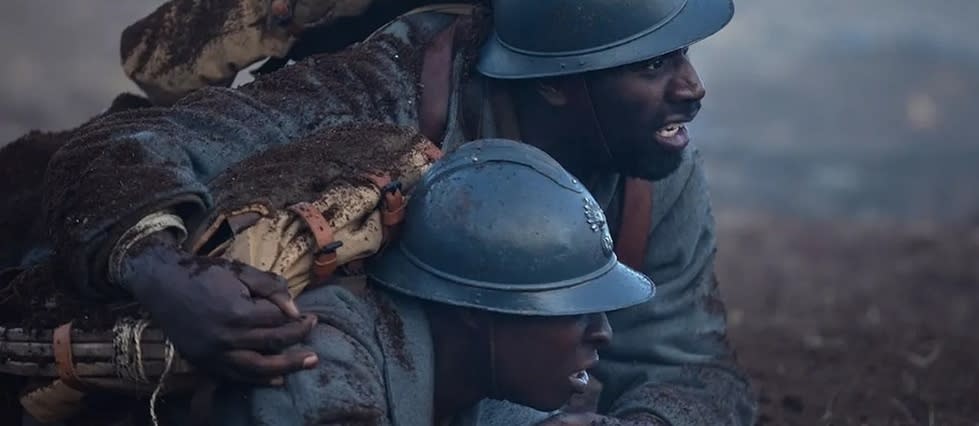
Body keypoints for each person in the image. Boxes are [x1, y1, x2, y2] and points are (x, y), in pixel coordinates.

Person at [40, 0, 756, 424]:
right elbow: (125, 146)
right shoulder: (382, 95)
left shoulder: (650, 170)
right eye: (652, 65)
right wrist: (163, 272)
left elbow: (693, 367)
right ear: (558, 85)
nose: (691, 89)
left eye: (681, 55)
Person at [200, 138, 655, 425]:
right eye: (572, 309)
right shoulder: (325, 371)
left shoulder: (489, 378)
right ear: (475, 310)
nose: (603, 332)